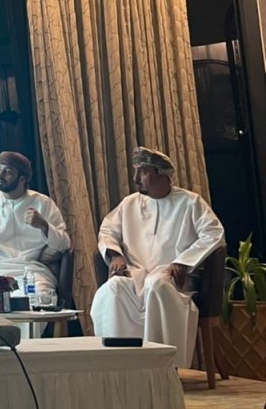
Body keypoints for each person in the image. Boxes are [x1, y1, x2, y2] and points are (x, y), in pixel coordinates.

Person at [91, 146, 224, 369]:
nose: (136, 178)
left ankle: (164, 367)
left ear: (161, 174)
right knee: (114, 288)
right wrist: (115, 255)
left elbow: (214, 233)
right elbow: (107, 231)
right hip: (136, 274)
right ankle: (121, 365)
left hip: (174, 279)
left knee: (157, 285)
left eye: (142, 172)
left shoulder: (190, 202)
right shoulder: (130, 203)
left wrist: (183, 261)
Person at [0, 151, 71, 299]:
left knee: (38, 300)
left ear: (22, 179)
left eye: (8, 172)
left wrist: (44, 226)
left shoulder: (43, 203)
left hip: (31, 273)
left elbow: (65, 245)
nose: (0, 175)